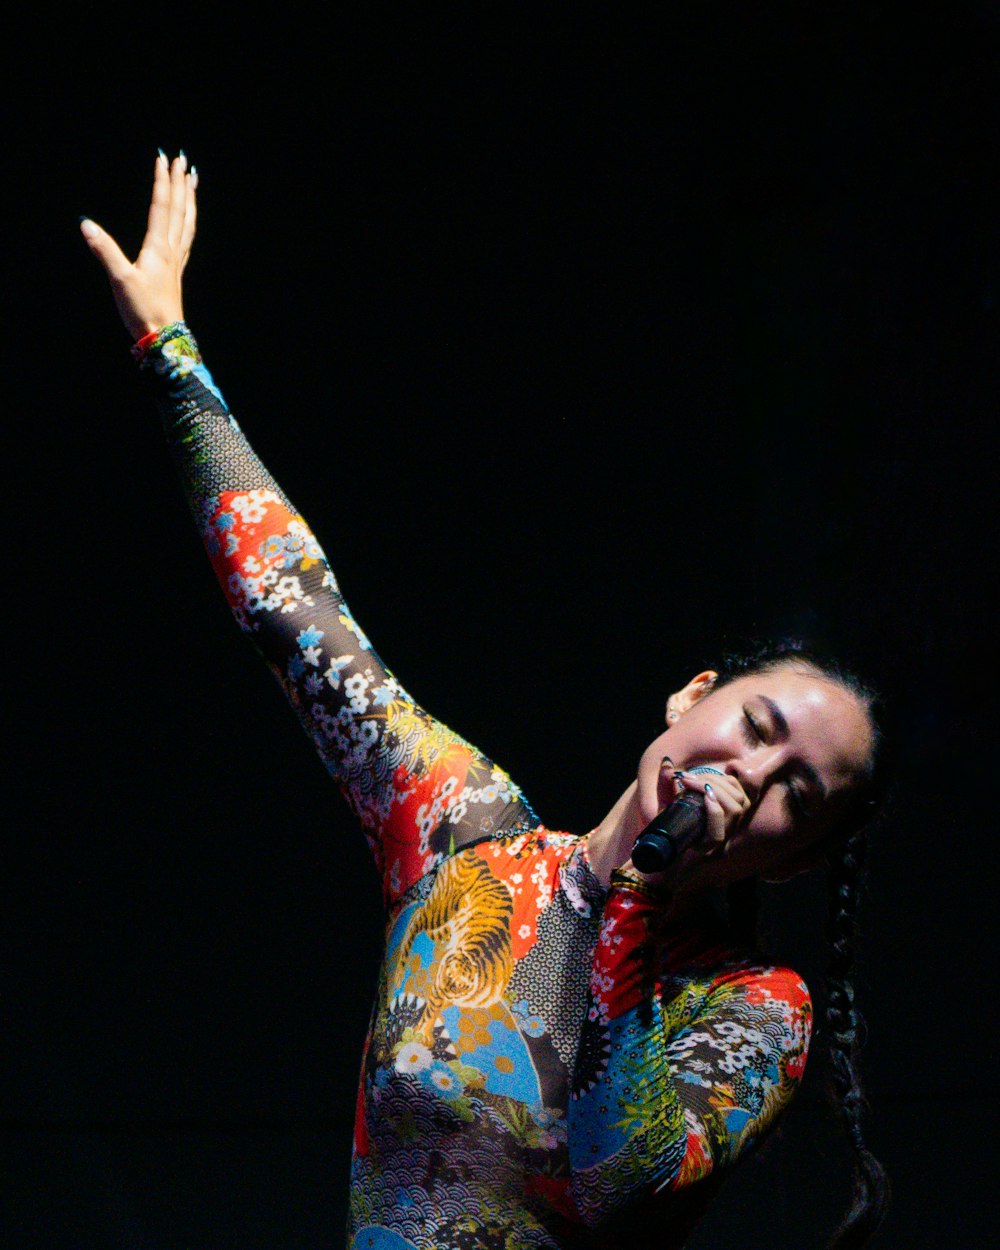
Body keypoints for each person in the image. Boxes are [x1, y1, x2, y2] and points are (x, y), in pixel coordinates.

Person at [81, 153, 889, 1249]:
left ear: (795, 857)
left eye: (799, 788)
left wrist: (637, 901)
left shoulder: (752, 1008)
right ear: (690, 697)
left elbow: (619, 1172)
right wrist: (169, 347)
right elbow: (295, 614)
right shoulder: (462, 836)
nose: (752, 771)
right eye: (754, 725)